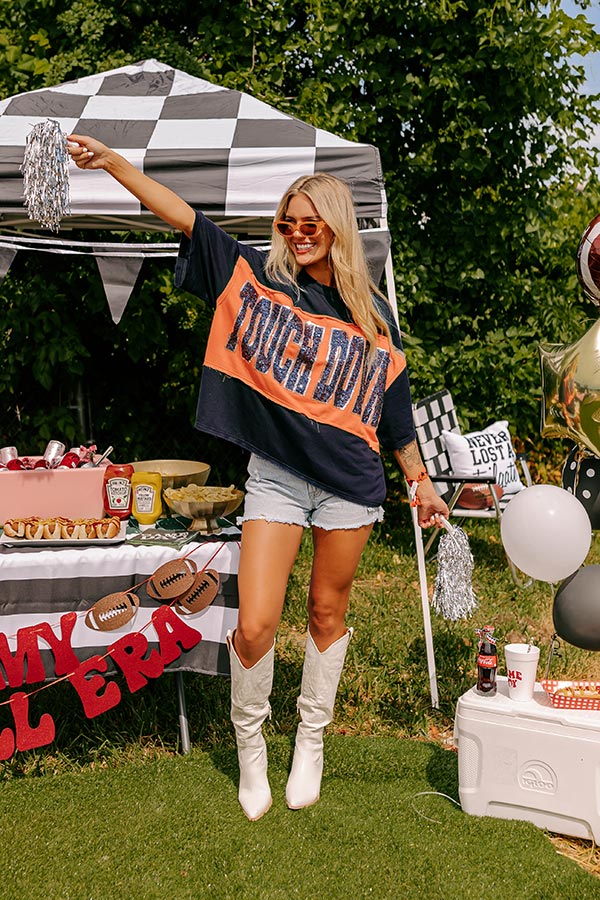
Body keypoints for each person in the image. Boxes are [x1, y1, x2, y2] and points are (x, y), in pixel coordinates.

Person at [67, 134, 449, 821]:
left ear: (333, 228)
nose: (298, 235)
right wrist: (118, 165)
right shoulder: (258, 278)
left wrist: (419, 482)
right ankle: (252, 749)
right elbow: (183, 217)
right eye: (287, 223)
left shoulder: (376, 320)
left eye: (311, 224)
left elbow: (396, 419)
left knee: (328, 616)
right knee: (255, 626)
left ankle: (311, 742)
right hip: (275, 476)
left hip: (351, 486)